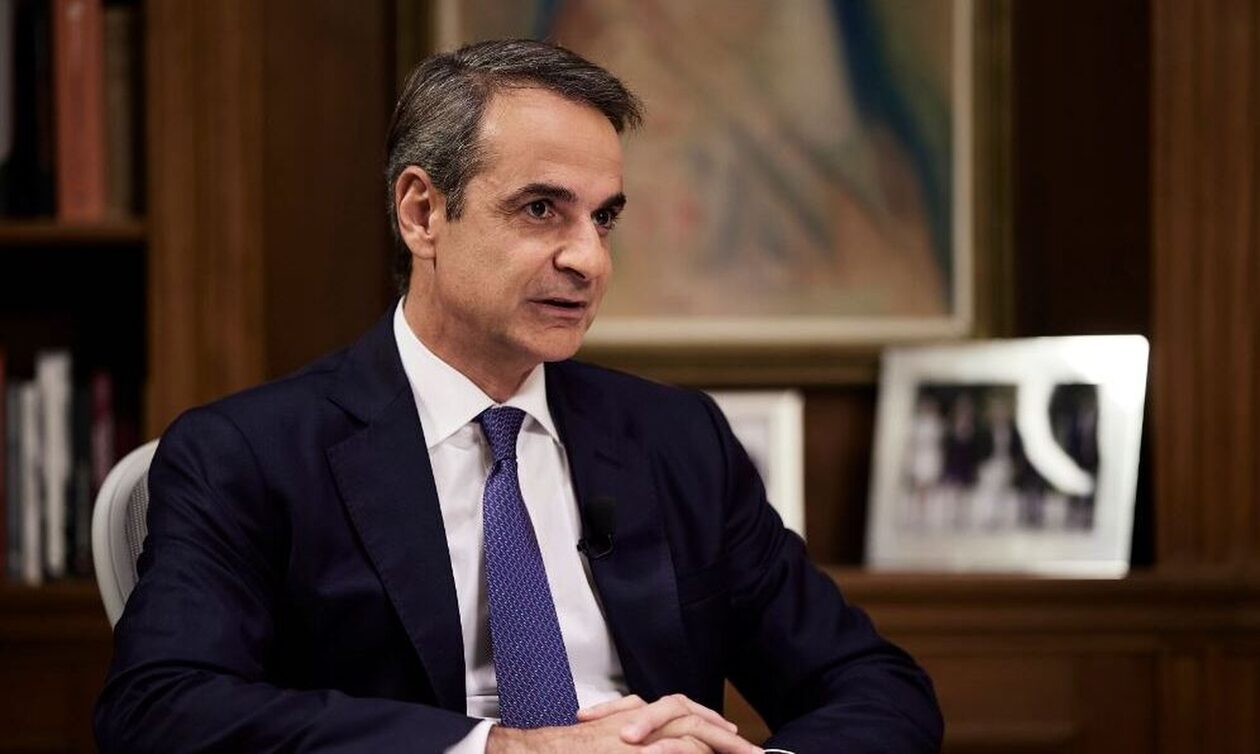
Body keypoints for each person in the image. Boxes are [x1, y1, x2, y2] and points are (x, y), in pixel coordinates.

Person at [95, 39, 942, 754]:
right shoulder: (250, 453)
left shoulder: (677, 440)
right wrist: (506, 751)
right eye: (542, 210)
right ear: (422, 212)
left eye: (603, 218)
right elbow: (160, 709)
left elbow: (876, 686)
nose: (589, 260)